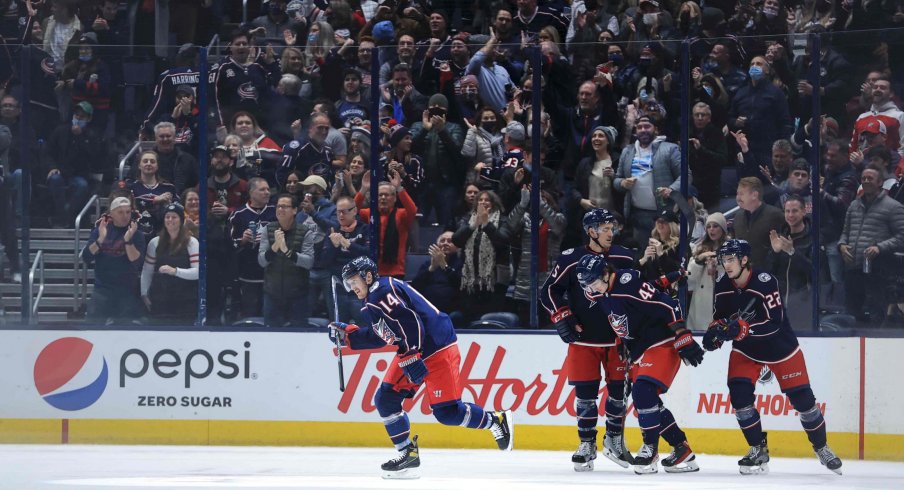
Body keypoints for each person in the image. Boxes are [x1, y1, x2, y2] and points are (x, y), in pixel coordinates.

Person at [328, 256, 514, 479]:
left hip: (437, 348)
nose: (352, 287)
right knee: (386, 399)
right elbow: (384, 336)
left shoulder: (382, 292)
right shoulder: (371, 299)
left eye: (354, 281)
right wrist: (350, 337)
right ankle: (408, 454)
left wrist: (410, 354)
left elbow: (411, 322)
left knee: (447, 413)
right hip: (414, 350)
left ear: (368, 276)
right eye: (348, 283)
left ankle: (496, 421)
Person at [704, 239, 842, 475]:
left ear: (744, 260)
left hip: (780, 347)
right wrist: (715, 332)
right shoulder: (723, 284)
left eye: (730, 259)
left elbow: (774, 322)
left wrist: (743, 329)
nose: (726, 265)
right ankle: (758, 449)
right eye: (723, 260)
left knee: (804, 402)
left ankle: (822, 447)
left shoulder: (765, 282)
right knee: (739, 396)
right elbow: (721, 317)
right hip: (746, 349)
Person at [575, 253, 705, 475]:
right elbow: (638, 297)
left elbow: (668, 303)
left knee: (643, 392)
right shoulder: (597, 290)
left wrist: (682, 333)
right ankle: (681, 449)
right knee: (649, 399)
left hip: (660, 341)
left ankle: (650, 450)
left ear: (606, 273)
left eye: (594, 281)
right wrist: (621, 341)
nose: (591, 288)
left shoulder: (626, 282)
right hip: (638, 348)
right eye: (586, 283)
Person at [539, 209, 636, 472]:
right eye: (604, 228)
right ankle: (586, 443)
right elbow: (549, 289)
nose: (610, 233)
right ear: (591, 231)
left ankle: (614, 439)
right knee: (585, 396)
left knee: (619, 394)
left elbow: (638, 293)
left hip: (617, 340)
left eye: (611, 228)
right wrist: (562, 315)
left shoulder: (625, 257)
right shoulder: (571, 258)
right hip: (584, 341)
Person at [838, 165, 904, 323]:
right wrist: (841, 245)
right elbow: (845, 232)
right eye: (863, 179)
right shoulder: (854, 205)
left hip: (878, 271)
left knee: (876, 314)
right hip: (853, 268)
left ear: (880, 182)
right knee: (852, 313)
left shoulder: (893, 207)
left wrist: (880, 247)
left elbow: (902, 236)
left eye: (870, 178)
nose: (866, 181)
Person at [81, 196, 146, 325]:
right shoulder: (100, 231)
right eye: (120, 212)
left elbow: (136, 261)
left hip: (127, 292)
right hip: (102, 290)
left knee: (125, 332)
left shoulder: (136, 234)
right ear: (111, 214)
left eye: (128, 212)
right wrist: (100, 239)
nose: (125, 216)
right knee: (91, 329)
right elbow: (86, 257)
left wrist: (128, 240)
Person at [258, 193, 320, 327]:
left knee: (298, 336)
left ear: (294, 210)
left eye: (285, 207)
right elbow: (262, 261)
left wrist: (286, 251)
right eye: (278, 206)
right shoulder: (267, 229)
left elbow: (309, 262)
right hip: (272, 294)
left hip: (298, 295)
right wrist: (275, 247)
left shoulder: (305, 232)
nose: (280, 209)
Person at [140, 203, 199, 323]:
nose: (170, 220)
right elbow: (147, 270)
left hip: (185, 301)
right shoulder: (154, 243)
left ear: (181, 220)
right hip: (160, 300)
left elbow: (198, 272)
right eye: (167, 217)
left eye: (174, 217)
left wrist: (175, 271)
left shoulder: (192, 242)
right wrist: (144, 293)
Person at [354, 170, 417, 279]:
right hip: (372, 270)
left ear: (394, 198)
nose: (383, 198)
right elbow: (352, 210)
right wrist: (364, 189)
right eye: (380, 195)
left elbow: (413, 210)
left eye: (387, 195)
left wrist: (399, 188)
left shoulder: (401, 215)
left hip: (395, 272)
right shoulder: (370, 214)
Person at [228, 177, 276, 318]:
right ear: (251, 192)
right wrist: (242, 240)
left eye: (268, 189)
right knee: (251, 314)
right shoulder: (238, 214)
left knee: (271, 316)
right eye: (262, 189)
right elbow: (230, 243)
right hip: (248, 274)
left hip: (273, 274)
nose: (267, 192)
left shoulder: (276, 211)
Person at [320, 195, 370, 324]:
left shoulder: (365, 229)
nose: (340, 215)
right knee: (338, 326)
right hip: (338, 287)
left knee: (362, 325)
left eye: (344, 211)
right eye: (338, 212)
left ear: (354, 211)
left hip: (358, 287)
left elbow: (369, 255)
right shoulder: (333, 230)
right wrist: (334, 246)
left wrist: (348, 244)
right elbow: (324, 261)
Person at [687, 212, 729, 330]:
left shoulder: (731, 248)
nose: (712, 230)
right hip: (701, 303)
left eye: (715, 226)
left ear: (723, 228)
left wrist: (719, 266)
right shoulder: (698, 248)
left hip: (723, 299)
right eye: (709, 226)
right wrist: (699, 261)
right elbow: (690, 279)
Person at [733, 177, 784, 265]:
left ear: (754, 195)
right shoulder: (738, 217)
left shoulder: (775, 215)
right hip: (743, 273)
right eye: (737, 194)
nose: (738, 198)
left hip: (768, 274)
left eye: (741, 194)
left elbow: (782, 247)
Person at [128, 150, 179, 239]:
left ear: (157, 166)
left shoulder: (169, 188)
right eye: (145, 161)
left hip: (163, 236)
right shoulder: (131, 187)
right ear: (139, 166)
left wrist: (168, 205)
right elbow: (130, 210)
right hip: (137, 235)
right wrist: (155, 200)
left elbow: (178, 210)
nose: (149, 164)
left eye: (152, 161)